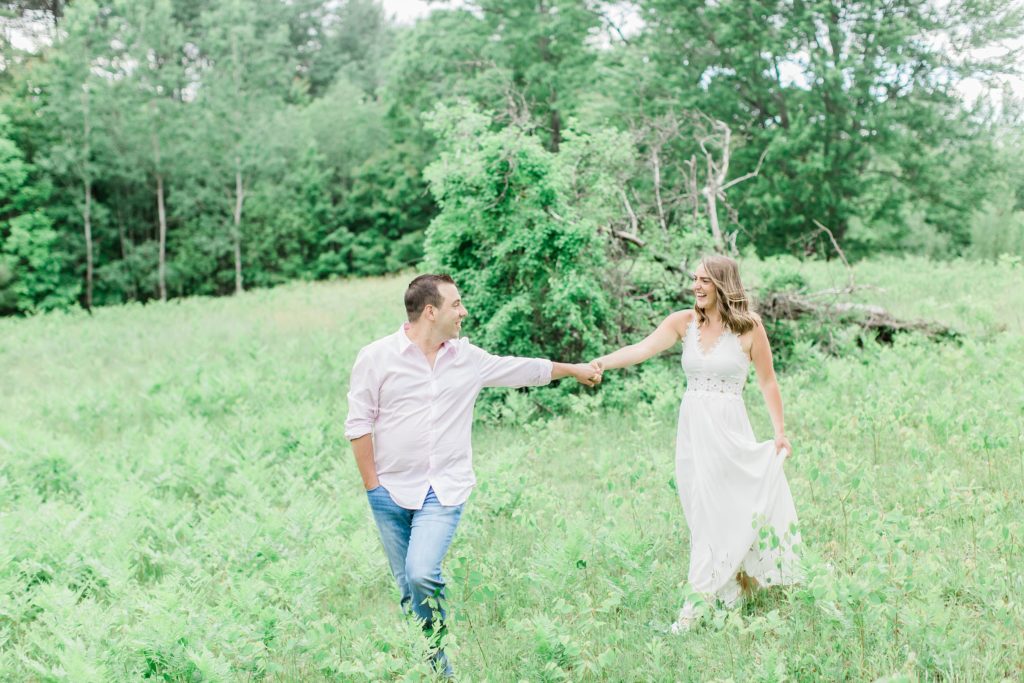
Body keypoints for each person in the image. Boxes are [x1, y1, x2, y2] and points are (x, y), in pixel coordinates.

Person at [344, 274, 600, 675]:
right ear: (431, 312)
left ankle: (438, 663)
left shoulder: (467, 358)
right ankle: (430, 667)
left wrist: (573, 370)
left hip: (443, 488)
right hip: (389, 491)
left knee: (421, 572)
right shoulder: (376, 357)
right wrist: (373, 487)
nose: (463, 311)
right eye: (456, 304)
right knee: (408, 590)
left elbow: (522, 369)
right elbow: (358, 423)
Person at [590, 255, 801, 632]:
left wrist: (780, 430)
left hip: (731, 430)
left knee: (730, 509)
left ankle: (695, 606)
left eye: (704, 280)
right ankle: (730, 587)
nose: (696, 286)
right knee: (701, 512)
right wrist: (601, 363)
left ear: (722, 284)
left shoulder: (750, 328)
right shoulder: (683, 323)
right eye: (695, 279)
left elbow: (768, 381)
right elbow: (641, 349)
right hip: (693, 433)